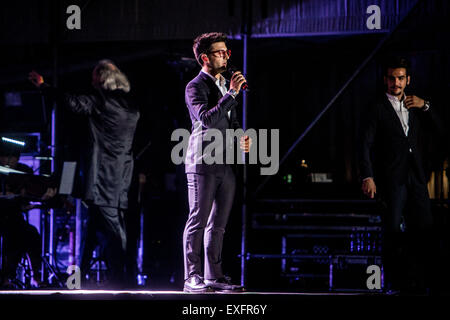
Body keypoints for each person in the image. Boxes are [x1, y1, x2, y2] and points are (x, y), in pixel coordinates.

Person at [29, 60, 140, 288]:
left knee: (114, 231)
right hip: (121, 177)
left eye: (93, 77)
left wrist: (43, 86)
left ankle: (123, 280)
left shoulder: (101, 102)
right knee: (93, 230)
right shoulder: (129, 107)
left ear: (101, 79)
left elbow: (72, 102)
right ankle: (77, 280)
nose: (90, 81)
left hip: (102, 179)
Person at [359, 56, 442, 294]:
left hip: (416, 178)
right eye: (392, 78)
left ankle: (424, 283)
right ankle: (393, 284)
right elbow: (364, 143)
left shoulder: (415, 104)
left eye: (401, 78)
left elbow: (440, 130)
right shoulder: (376, 106)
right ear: (385, 80)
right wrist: (367, 175)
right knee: (393, 231)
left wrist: (425, 105)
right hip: (391, 179)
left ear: (408, 80)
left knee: (424, 230)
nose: (396, 82)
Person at [183, 32, 251, 292]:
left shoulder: (225, 85)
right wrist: (232, 93)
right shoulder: (195, 86)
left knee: (219, 224)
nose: (225, 56)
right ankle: (192, 276)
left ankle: (214, 275)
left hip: (225, 162)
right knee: (198, 219)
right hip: (202, 161)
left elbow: (230, 122)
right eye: (219, 52)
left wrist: (241, 137)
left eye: (226, 52)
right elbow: (207, 119)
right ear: (205, 58)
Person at [0, 143, 54, 288]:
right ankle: (5, 277)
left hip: (14, 218)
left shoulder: (23, 172)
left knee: (31, 234)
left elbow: (26, 197)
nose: (9, 161)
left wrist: (33, 201)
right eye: (5, 157)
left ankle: (35, 276)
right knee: (13, 236)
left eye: (13, 158)